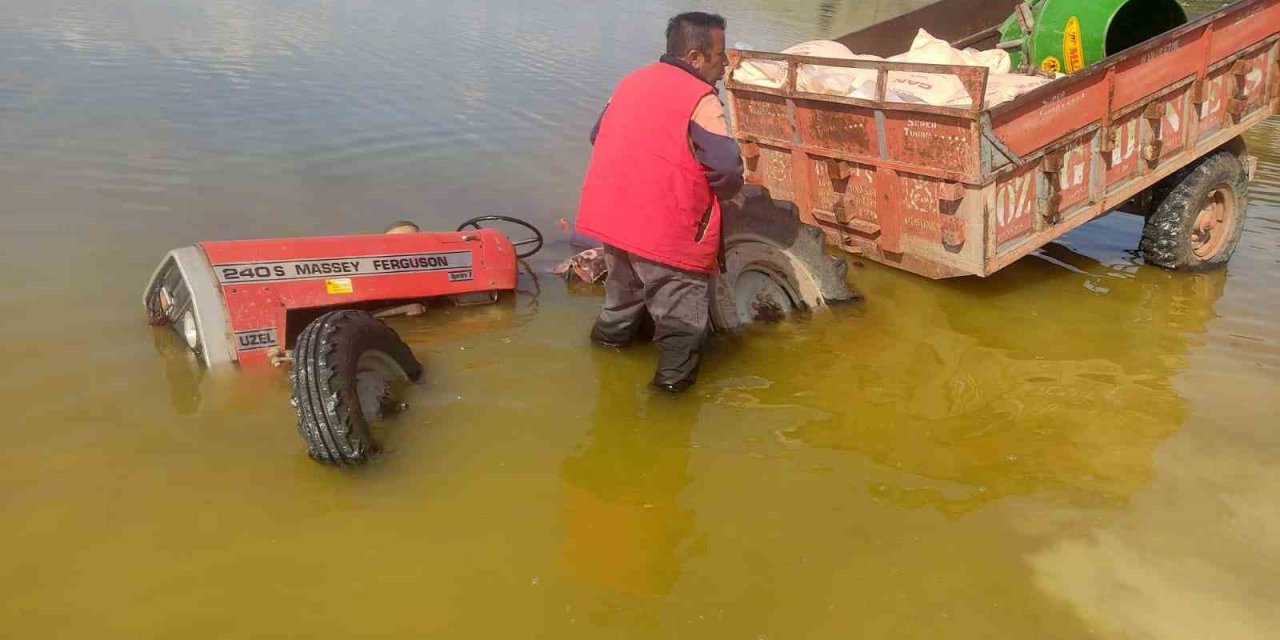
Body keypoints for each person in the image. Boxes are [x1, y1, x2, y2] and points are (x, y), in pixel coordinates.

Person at [576, 11, 744, 393]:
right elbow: (728, 169)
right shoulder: (700, 99)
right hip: (668, 236)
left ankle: (604, 370)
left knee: (618, 309)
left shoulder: (630, 82)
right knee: (682, 329)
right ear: (696, 57)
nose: (724, 67)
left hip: (615, 226)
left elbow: (597, 135)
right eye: (721, 56)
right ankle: (668, 416)